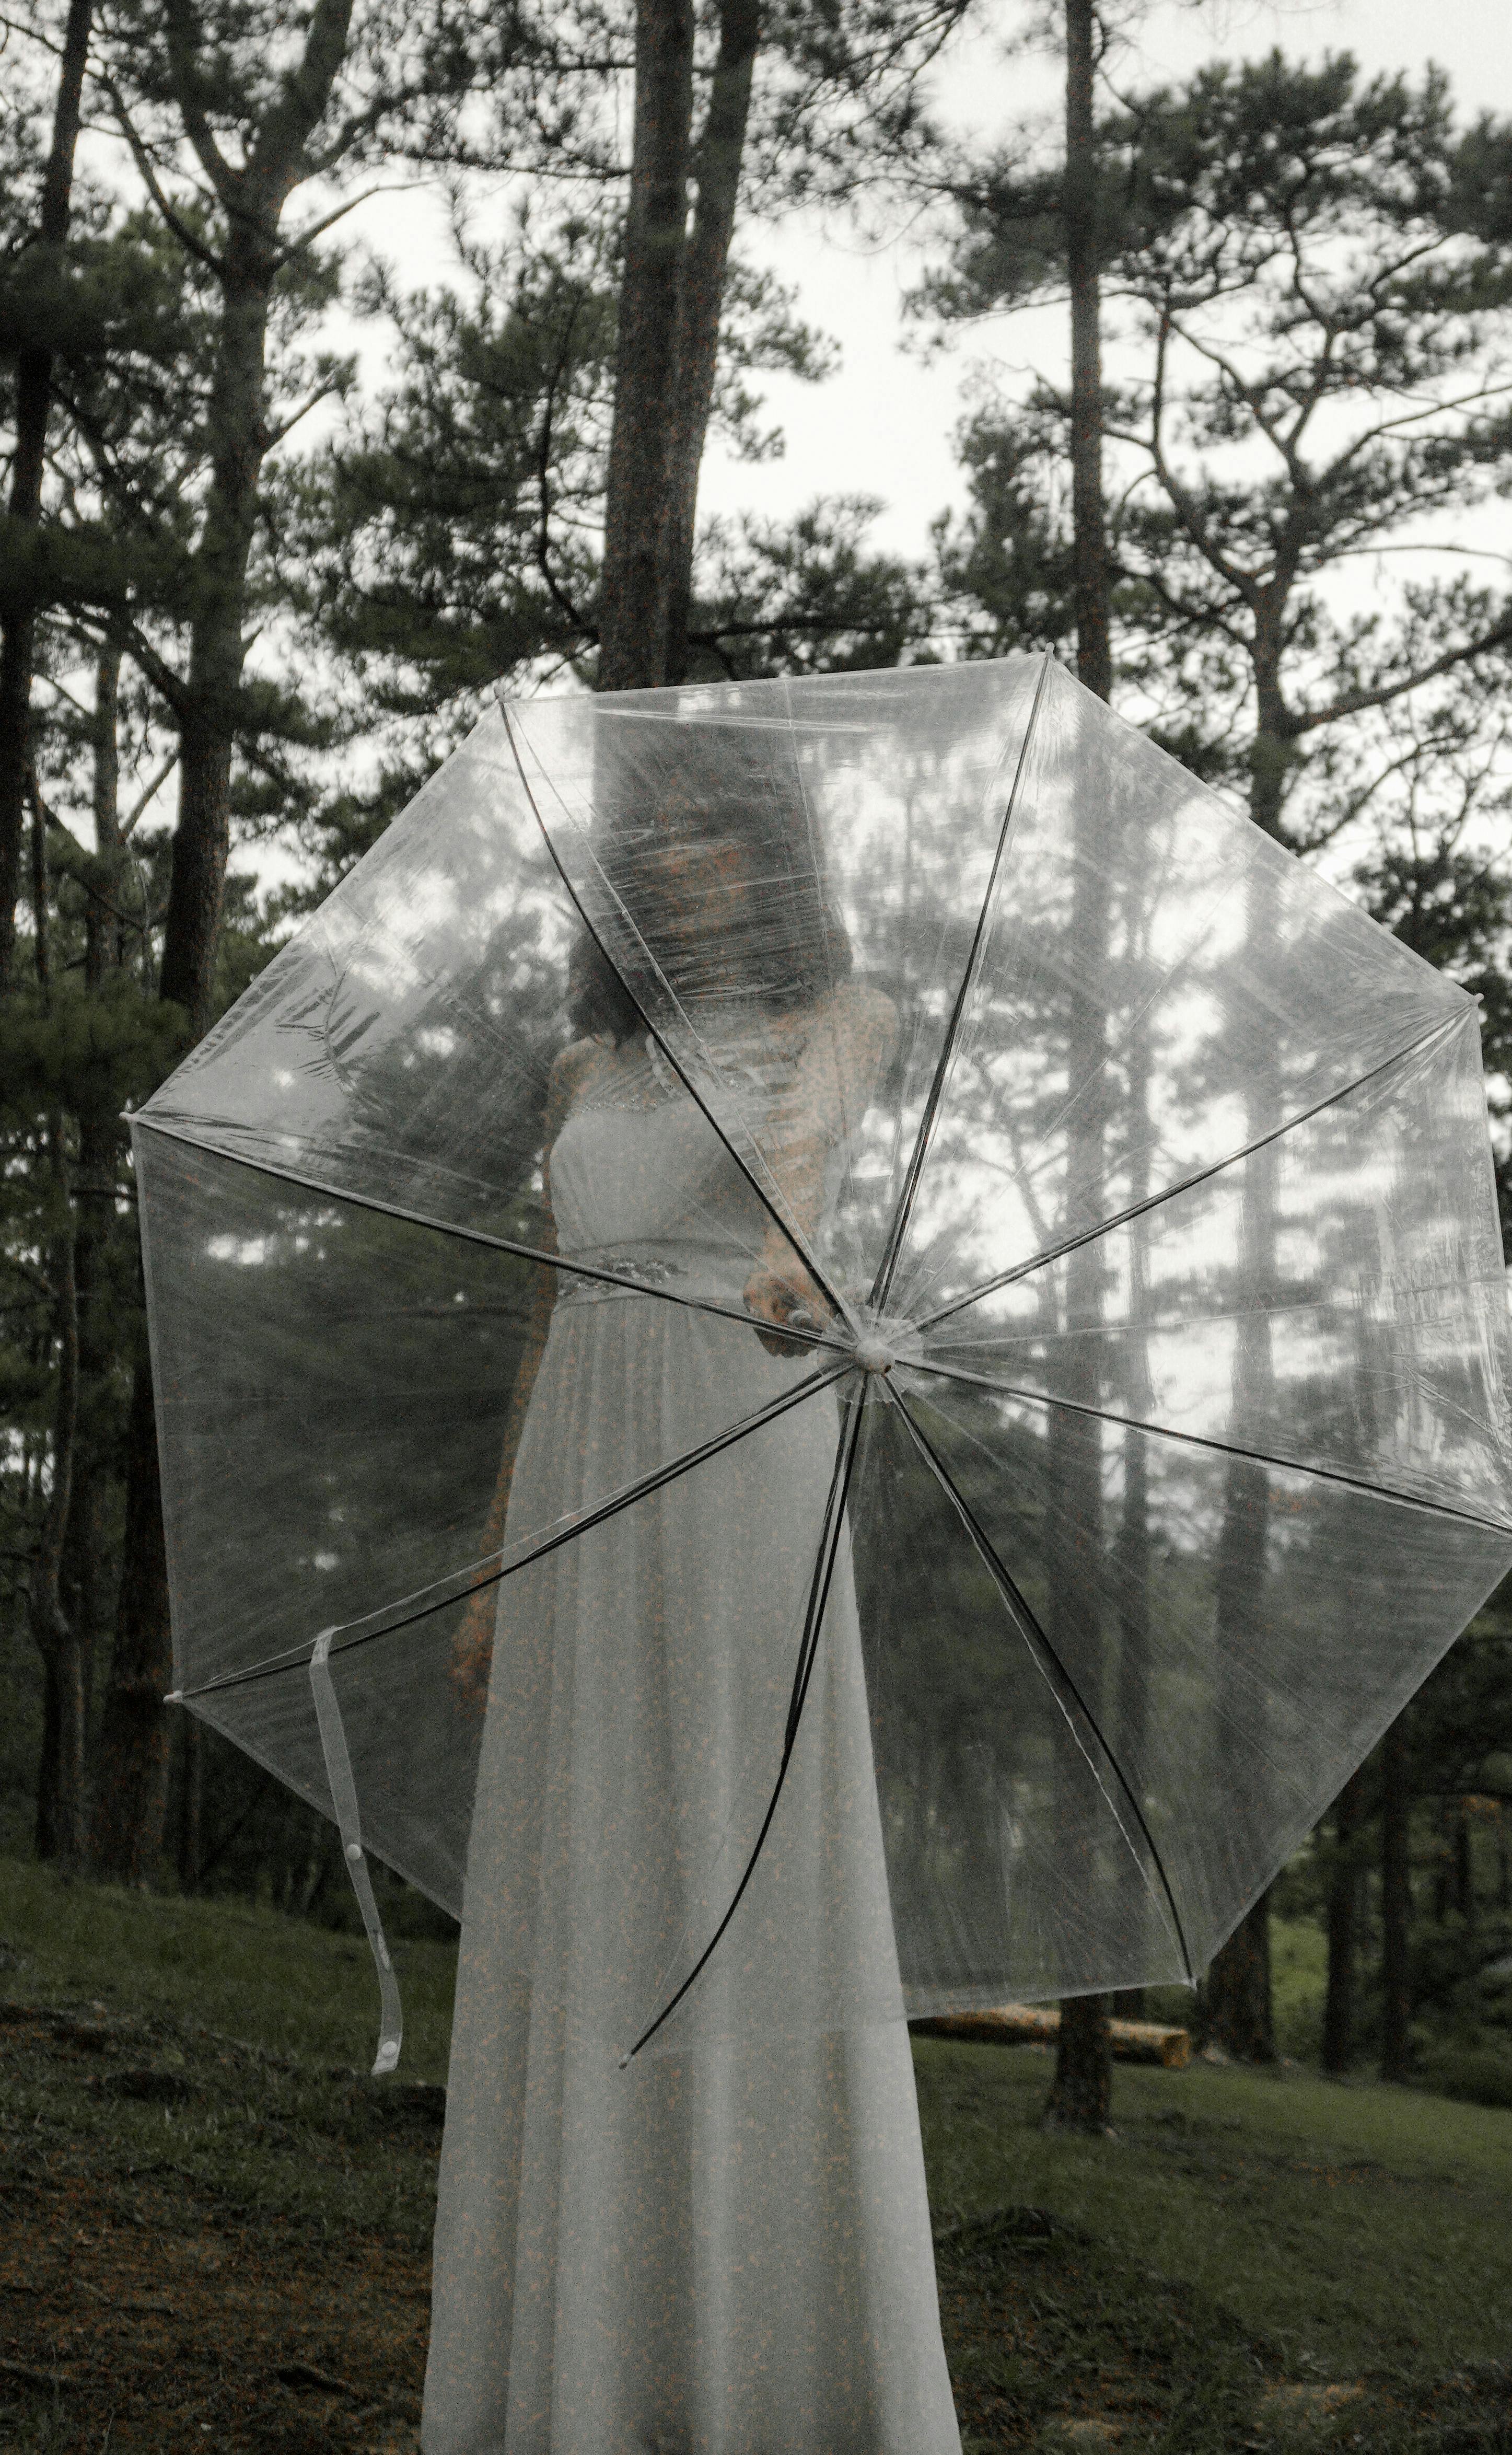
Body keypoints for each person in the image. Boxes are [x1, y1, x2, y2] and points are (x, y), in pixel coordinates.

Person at [421, 769, 962, 2455]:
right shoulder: (584, 1066)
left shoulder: (838, 1017)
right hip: (581, 1459)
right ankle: (579, 2364)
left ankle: (769, 2363)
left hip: (738, 1424)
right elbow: (542, 1315)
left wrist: (792, 1256)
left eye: (715, 830)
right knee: (588, 1852)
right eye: (654, 837)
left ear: (775, 855)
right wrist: (496, 1563)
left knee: (738, 1829)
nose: (679, 857)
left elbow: (801, 1169)